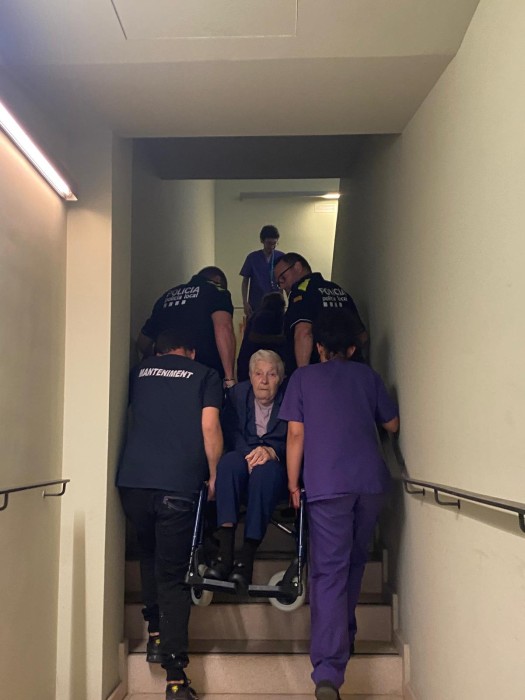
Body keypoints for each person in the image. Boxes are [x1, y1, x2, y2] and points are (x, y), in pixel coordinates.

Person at [278, 309, 399, 700]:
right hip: (370, 484)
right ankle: (345, 636)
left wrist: (292, 483)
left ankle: (329, 670)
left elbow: (295, 435)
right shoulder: (368, 376)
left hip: (328, 486)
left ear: (318, 347)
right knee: (354, 563)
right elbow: (392, 424)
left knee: (329, 572)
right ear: (351, 347)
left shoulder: (302, 378)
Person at [117, 329, 223, 700]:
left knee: (149, 555)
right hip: (177, 486)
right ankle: (175, 678)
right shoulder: (206, 374)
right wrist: (214, 474)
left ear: (159, 351)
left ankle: (155, 634)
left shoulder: (139, 372)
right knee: (173, 577)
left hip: (133, 484)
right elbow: (209, 425)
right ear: (190, 351)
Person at [205, 349, 288, 588]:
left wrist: (272, 451)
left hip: (275, 465)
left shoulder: (290, 396)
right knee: (228, 464)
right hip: (243, 455)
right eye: (258, 374)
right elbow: (230, 431)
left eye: (271, 374)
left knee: (265, 472)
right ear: (250, 376)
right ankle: (225, 555)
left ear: (281, 378)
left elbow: (297, 436)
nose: (264, 381)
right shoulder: (237, 395)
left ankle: (246, 559)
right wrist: (249, 455)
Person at [137, 266, 236, 388]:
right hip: (202, 376)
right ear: (217, 279)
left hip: (163, 378)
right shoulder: (217, 291)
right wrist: (229, 378)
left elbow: (143, 341)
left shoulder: (167, 296)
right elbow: (224, 328)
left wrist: (157, 362)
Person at [273, 252, 368, 375]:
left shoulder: (301, 291)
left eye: (283, 278)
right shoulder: (337, 289)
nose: (282, 286)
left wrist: (304, 376)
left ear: (297, 267)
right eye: (279, 283)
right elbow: (362, 336)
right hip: (351, 372)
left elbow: (304, 333)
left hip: (318, 373)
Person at [236, 291, 286, 382]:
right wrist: (279, 339)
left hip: (249, 361)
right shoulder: (266, 316)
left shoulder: (257, 314)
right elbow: (254, 337)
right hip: (254, 361)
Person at [240, 224, 284, 318]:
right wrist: (245, 303)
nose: (272, 246)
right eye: (269, 243)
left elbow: (286, 280)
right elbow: (245, 282)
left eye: (274, 243)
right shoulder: (252, 258)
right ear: (262, 241)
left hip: (276, 303)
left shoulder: (281, 257)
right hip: (256, 303)